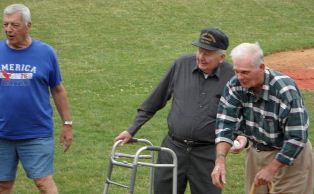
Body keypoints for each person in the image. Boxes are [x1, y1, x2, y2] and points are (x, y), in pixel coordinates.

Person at [115, 27, 234, 194]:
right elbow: (155, 99)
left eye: (207, 53)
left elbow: (239, 114)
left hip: (207, 155)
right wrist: (131, 129)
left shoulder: (232, 78)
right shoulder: (181, 65)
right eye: (199, 50)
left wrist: (241, 138)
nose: (201, 57)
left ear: (221, 57)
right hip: (173, 150)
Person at [211, 42, 314, 194]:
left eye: (245, 72)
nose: (239, 77)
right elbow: (225, 124)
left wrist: (271, 169)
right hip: (257, 151)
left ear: (261, 67)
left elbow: (297, 137)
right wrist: (220, 160)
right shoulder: (234, 86)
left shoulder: (285, 90)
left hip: (291, 154)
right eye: (236, 71)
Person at [0, 4, 73, 194]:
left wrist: (67, 123)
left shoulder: (45, 53)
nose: (8, 29)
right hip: (2, 133)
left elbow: (58, 89)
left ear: (28, 25)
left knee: (43, 182)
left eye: (14, 25)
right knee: (3, 185)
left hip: (36, 132)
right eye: (5, 24)